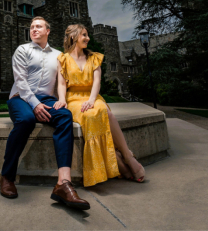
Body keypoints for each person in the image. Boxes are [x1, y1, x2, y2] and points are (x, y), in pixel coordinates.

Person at [0, 16, 90, 210]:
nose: (34, 29)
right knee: (26, 120)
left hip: (47, 99)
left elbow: (62, 82)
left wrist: (62, 99)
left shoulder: (58, 55)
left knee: (65, 116)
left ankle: (63, 184)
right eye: (32, 27)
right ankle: (7, 176)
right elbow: (21, 82)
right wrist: (35, 105)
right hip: (21, 98)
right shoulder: (22, 50)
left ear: (48, 31)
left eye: (39, 26)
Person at [56, 24, 145, 187]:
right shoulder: (63, 59)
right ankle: (116, 161)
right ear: (73, 37)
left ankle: (126, 156)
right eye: (84, 35)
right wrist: (62, 99)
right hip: (74, 99)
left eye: (87, 35)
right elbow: (62, 84)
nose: (88, 38)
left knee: (104, 111)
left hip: (92, 96)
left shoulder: (94, 57)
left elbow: (97, 81)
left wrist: (91, 100)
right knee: (90, 116)